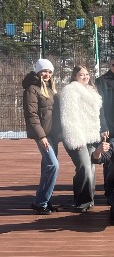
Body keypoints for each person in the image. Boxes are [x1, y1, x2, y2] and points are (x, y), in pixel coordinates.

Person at [59, 65, 102, 212]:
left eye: (87, 74)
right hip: (78, 136)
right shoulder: (70, 90)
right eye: (81, 74)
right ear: (74, 76)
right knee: (84, 167)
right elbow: (68, 116)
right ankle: (82, 202)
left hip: (91, 136)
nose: (85, 77)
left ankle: (88, 200)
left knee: (91, 168)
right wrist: (75, 138)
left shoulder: (91, 90)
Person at [23, 58, 60, 215]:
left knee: (47, 167)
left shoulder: (50, 88)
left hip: (52, 134)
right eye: (44, 71)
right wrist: (41, 136)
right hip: (43, 135)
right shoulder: (32, 89)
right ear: (38, 72)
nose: (47, 74)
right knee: (53, 165)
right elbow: (32, 115)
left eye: (50, 72)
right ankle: (40, 202)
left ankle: (45, 200)